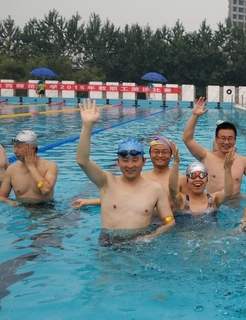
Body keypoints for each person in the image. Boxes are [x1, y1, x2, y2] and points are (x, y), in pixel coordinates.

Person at [75, 98, 174, 242]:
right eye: (125, 160)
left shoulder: (155, 189)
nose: (130, 165)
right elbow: (82, 161)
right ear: (118, 162)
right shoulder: (106, 182)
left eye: (135, 160)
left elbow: (169, 221)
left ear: (143, 161)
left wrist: (149, 238)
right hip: (109, 244)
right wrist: (87, 125)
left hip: (139, 244)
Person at [71, 134, 187, 210]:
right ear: (149, 155)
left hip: (171, 224)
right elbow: (122, 199)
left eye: (165, 152)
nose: (160, 155)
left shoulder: (181, 179)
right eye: (156, 152)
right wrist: (89, 202)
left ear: (171, 155)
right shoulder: (141, 177)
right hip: (146, 222)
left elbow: (189, 205)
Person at [183, 97, 246, 195]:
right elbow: (187, 139)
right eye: (223, 138)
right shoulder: (206, 156)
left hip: (235, 204)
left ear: (235, 140)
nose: (226, 142)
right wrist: (195, 115)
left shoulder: (243, 161)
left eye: (230, 138)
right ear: (216, 139)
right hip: (213, 203)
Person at [169, 142, 236, 215]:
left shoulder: (213, 200)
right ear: (187, 180)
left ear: (207, 180)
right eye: (192, 175)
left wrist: (227, 169)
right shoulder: (182, 201)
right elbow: (172, 189)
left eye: (202, 175)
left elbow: (228, 193)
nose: (197, 179)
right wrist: (176, 163)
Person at [0, 130, 58, 206]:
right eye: (14, 147)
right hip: (21, 209)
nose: (15, 151)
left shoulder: (50, 166)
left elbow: (45, 189)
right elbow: (1, 196)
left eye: (18, 147)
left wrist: (31, 167)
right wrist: (10, 202)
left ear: (31, 148)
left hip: (46, 208)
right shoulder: (11, 170)